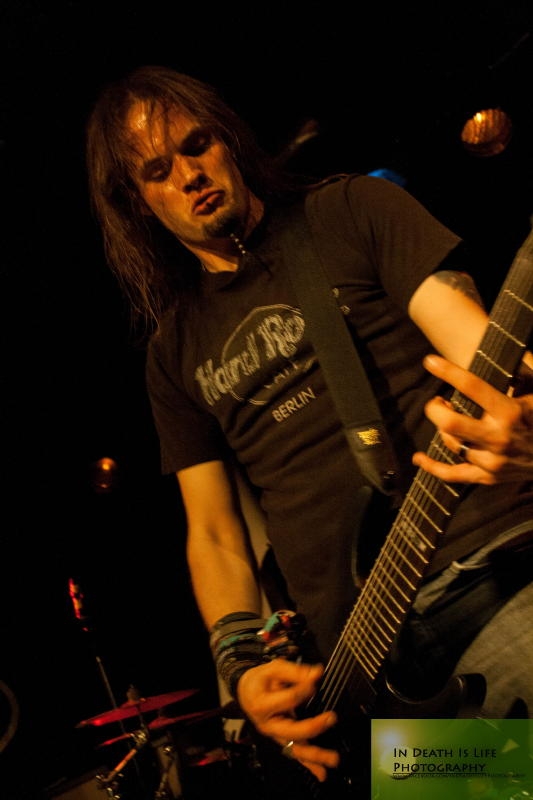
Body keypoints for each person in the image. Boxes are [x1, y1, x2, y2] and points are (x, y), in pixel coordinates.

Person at [85, 64, 533, 798]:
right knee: (496, 779)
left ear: (228, 141)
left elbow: (479, 349)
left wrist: (524, 428)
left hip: (484, 572)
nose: (189, 174)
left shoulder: (351, 209)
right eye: (158, 171)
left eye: (197, 145)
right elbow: (215, 533)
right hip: (358, 681)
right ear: (139, 202)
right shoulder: (173, 350)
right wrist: (241, 665)